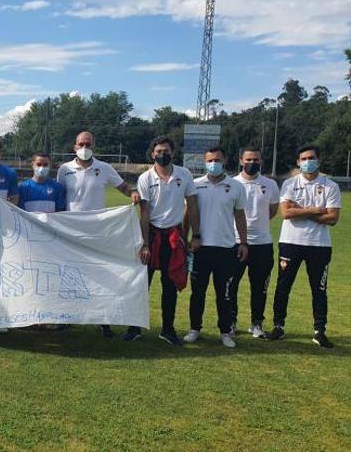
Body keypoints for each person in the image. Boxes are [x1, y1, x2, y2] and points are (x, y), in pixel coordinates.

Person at [58, 131, 138, 338]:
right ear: (74, 147)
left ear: (94, 146)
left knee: (99, 276)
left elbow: (122, 187)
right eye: (81, 144)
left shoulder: (104, 168)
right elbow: (59, 196)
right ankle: (67, 317)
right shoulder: (64, 169)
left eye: (88, 143)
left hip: (97, 233)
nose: (84, 147)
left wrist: (133, 193)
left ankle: (103, 319)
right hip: (70, 232)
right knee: (69, 276)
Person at [126, 135, 200, 346]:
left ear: (172, 153)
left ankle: (167, 329)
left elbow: (192, 206)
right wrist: (145, 243)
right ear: (152, 154)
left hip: (174, 235)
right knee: (142, 284)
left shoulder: (184, 174)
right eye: (158, 152)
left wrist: (196, 235)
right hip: (152, 234)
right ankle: (134, 327)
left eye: (166, 151)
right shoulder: (145, 178)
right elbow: (145, 212)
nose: (162, 154)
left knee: (170, 284)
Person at [266, 145, 341, 348]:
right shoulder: (290, 184)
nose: (308, 161)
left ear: (319, 160)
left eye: (312, 157)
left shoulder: (330, 186)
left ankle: (319, 331)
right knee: (283, 287)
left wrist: (300, 210)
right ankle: (279, 327)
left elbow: (333, 218)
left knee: (319, 289)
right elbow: (286, 213)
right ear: (298, 162)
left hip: (319, 245)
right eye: (304, 158)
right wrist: (316, 211)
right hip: (291, 242)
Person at [183, 147, 248, 348]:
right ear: (204, 162)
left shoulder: (236, 186)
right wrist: (184, 240)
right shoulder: (194, 185)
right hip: (200, 248)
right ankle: (195, 328)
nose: (214, 163)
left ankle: (225, 332)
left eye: (217, 160)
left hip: (226, 248)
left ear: (225, 160)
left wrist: (243, 242)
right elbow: (188, 214)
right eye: (210, 160)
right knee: (198, 293)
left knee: (225, 294)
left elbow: (239, 216)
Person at [228, 147, 280, 339]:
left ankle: (256, 323)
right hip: (234, 242)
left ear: (261, 161)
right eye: (249, 159)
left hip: (263, 244)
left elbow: (273, 211)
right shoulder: (232, 183)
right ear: (241, 160)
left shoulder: (270, 184)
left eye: (256, 160)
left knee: (259, 287)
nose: (252, 163)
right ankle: (231, 322)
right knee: (231, 285)